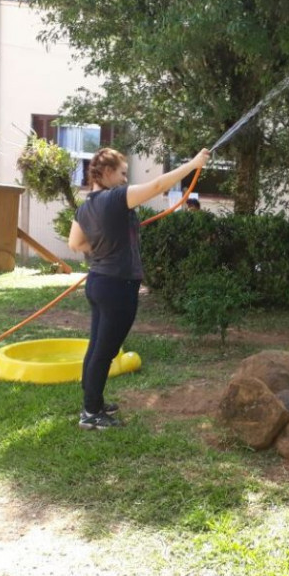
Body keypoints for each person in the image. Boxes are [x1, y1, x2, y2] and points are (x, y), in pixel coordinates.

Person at [69, 146, 211, 429]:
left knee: (97, 345)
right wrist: (194, 164)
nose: (124, 179)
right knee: (105, 350)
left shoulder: (85, 207)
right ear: (107, 173)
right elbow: (158, 185)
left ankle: (93, 402)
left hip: (98, 282)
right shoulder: (116, 198)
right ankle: (90, 413)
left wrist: (103, 251)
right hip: (118, 286)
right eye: (122, 173)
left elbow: (75, 244)